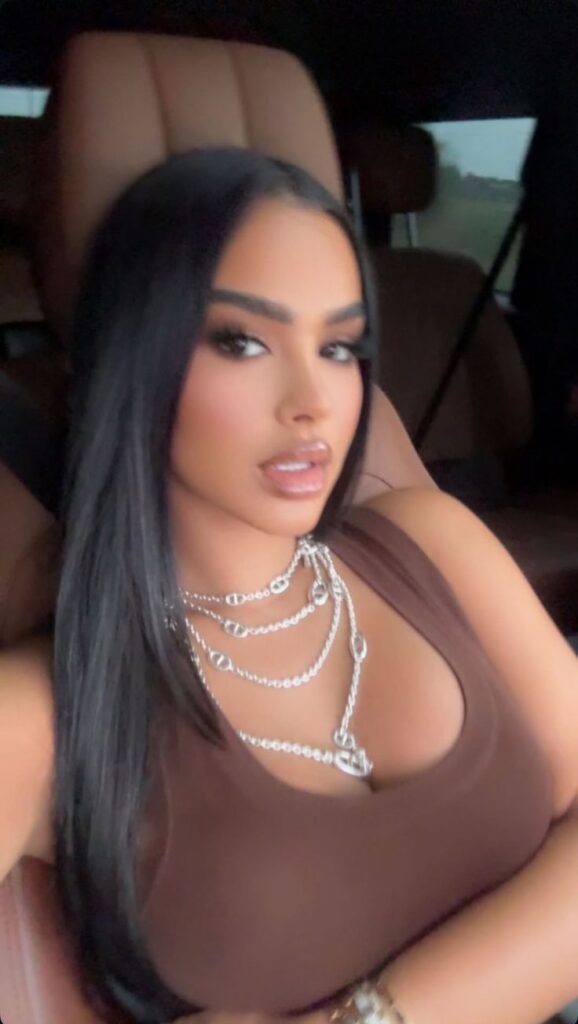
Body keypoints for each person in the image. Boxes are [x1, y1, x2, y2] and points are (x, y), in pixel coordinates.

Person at [1, 147, 578, 1024]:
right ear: (136, 358)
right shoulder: (41, 717)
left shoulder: (434, 544)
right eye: (243, 340)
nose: (314, 400)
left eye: (341, 346)